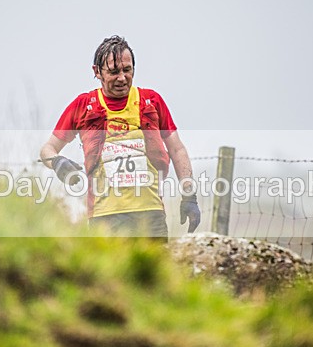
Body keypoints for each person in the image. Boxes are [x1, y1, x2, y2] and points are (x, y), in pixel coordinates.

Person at [40, 35, 200, 238]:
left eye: (127, 70)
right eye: (114, 72)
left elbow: (177, 149)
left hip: (151, 216)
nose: (122, 78)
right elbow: (47, 149)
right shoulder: (83, 105)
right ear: (97, 72)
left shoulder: (152, 101)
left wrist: (189, 195)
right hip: (104, 219)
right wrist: (56, 162)